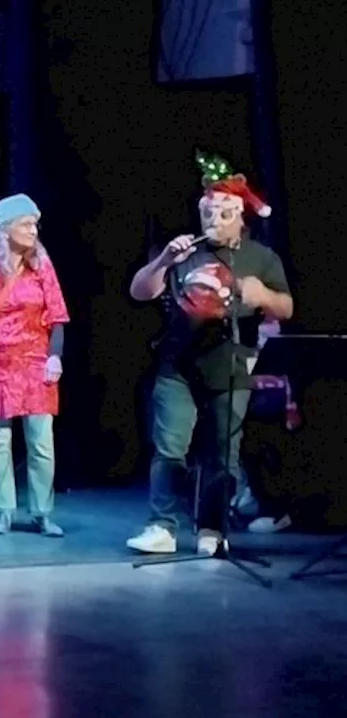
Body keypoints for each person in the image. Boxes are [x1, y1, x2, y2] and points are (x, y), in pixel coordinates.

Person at [125, 152, 293, 556]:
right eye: (207, 213)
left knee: (221, 454)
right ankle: (162, 526)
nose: (212, 220)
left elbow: (285, 308)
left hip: (232, 365)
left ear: (239, 217)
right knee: (170, 447)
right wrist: (165, 261)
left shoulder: (261, 258)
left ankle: (212, 530)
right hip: (178, 364)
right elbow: (139, 291)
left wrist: (262, 295)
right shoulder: (185, 250)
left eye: (222, 213)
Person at [0, 194, 69, 536]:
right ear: (5, 229)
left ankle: (42, 512)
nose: (33, 230)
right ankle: (3, 510)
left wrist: (55, 356)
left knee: (40, 442)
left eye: (35, 224)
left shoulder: (42, 264)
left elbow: (57, 315)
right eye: (26, 224)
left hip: (35, 361)